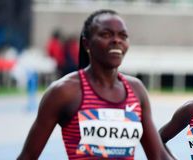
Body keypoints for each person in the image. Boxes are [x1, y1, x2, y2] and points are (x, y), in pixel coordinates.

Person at [17, 9, 173, 160]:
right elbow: (28, 156)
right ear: (86, 44)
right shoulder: (64, 92)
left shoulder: (136, 90)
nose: (116, 40)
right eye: (106, 34)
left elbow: (158, 155)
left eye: (123, 36)